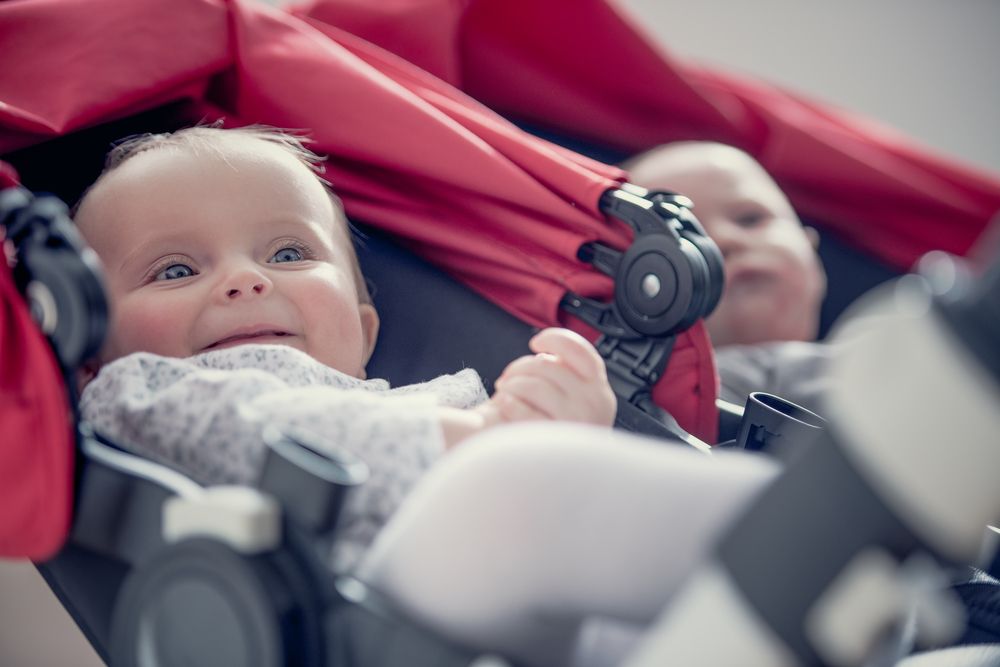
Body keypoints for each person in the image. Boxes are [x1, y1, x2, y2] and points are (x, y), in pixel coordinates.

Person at [74, 125, 779, 667]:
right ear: (90, 354)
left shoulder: (439, 396)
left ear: (363, 325)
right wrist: (487, 437)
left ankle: (820, 575)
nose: (243, 279)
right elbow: (265, 427)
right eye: (174, 268)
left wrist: (569, 421)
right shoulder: (133, 392)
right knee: (505, 479)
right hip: (348, 609)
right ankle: (824, 526)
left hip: (503, 613)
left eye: (288, 254)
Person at [623, 141, 831, 411]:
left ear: (809, 245)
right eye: (683, 239)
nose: (724, 241)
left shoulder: (872, 361)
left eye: (750, 219)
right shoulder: (642, 409)